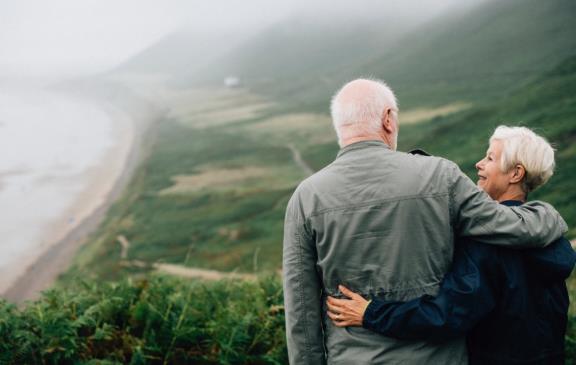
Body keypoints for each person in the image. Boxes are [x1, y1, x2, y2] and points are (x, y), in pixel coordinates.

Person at [282, 78, 568, 364]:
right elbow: (509, 225)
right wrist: (549, 216)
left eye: (490, 158)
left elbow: (301, 311)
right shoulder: (440, 176)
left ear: (339, 127)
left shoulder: (305, 197)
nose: (480, 164)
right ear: (388, 119)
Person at [326, 126, 576, 364]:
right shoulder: (550, 238)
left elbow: (446, 316)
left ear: (516, 174)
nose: (479, 164)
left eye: (490, 158)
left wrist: (370, 313)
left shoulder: (488, 244)